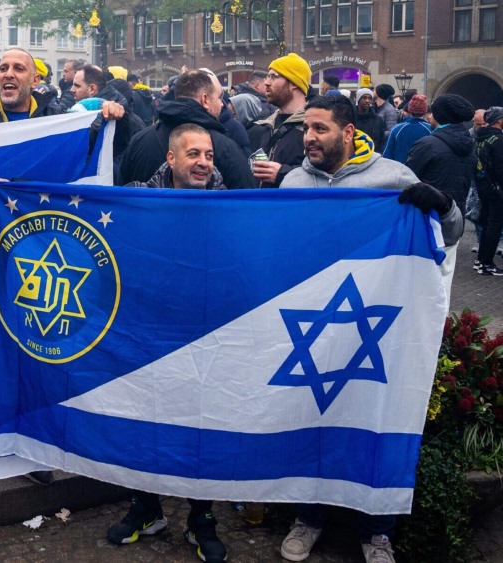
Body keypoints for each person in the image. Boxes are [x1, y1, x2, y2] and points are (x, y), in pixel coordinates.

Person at [278, 94, 463, 563]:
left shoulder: (393, 177)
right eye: (307, 128)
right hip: (313, 326)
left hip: (372, 329)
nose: (310, 137)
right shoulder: (295, 180)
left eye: (321, 128)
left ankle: (377, 530)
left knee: (372, 422)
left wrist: (442, 206)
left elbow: (453, 231)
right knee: (312, 422)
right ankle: (308, 518)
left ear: (349, 132)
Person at [108, 124, 228, 563]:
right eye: (193, 154)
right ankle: (146, 508)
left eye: (209, 155)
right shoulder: (139, 196)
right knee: (147, 419)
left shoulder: (232, 205)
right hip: (149, 327)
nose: (203, 163)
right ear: (172, 159)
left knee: (201, 423)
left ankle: (202, 518)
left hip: (205, 328)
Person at [119, 69, 255, 189]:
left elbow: (121, 198)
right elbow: (246, 202)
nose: (221, 104)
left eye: (209, 156)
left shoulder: (139, 141)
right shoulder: (225, 146)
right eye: (219, 97)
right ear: (205, 100)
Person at [406, 93, 477, 214]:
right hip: (455, 215)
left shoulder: (427, 144)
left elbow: (407, 179)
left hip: (428, 215)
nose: (429, 116)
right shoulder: (469, 144)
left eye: (432, 113)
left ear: (440, 116)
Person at [248, 53, 312, 188]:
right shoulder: (265, 126)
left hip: (292, 206)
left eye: (273, 77)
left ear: (294, 83)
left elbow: (324, 174)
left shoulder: (313, 127)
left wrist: (282, 174)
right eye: (267, 76)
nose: (266, 82)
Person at [473, 106, 503, 275]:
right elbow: (500, 168)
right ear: (498, 120)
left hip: (483, 184)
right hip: (496, 188)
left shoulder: (481, 138)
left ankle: (481, 259)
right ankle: (487, 262)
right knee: (495, 224)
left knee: (486, 222)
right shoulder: (498, 140)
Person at [382, 94, 430, 164]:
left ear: (409, 110)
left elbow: (387, 155)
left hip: (401, 171)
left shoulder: (397, 129)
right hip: (424, 171)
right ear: (425, 111)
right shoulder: (430, 129)